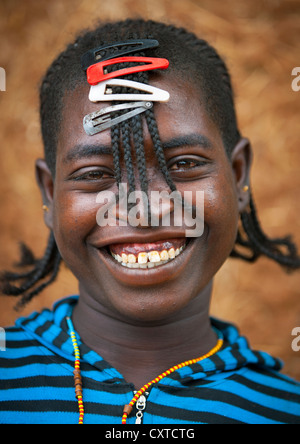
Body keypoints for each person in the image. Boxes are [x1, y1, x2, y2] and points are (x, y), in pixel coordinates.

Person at [0, 19, 299, 425]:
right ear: (50, 194)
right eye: (95, 174)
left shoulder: (282, 410)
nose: (144, 209)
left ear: (239, 173)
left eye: (185, 164)